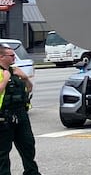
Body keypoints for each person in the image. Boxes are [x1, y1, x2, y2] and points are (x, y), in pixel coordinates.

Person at [0, 45, 40, 175]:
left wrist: (26, 78)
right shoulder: (2, 74)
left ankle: (31, 172)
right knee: (2, 152)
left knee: (28, 145)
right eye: (11, 56)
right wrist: (5, 79)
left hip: (20, 115)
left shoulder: (16, 71)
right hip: (3, 118)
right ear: (1, 57)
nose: (14, 58)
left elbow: (29, 89)